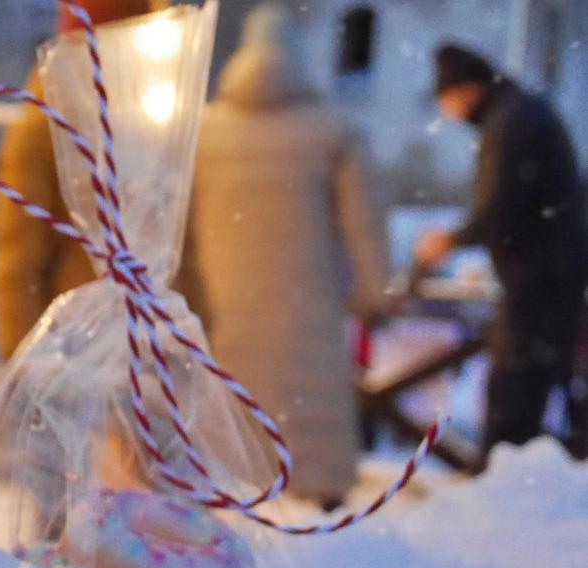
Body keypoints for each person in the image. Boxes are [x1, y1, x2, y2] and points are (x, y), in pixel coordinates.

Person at [187, 5, 390, 507]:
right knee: (310, 407)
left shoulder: (203, 131)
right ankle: (320, 501)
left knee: (232, 411)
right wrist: (375, 293)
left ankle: (230, 489)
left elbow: (180, 230)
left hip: (225, 301)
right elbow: (364, 224)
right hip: (306, 302)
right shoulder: (334, 130)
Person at [0, 0, 206, 358]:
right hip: (81, 354)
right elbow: (17, 262)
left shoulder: (155, 121)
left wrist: (195, 335)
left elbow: (184, 244)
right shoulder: (48, 124)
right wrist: (30, 365)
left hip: (154, 352)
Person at [414, 44, 588, 461]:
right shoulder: (519, 112)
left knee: (517, 383)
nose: (449, 113)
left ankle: (505, 478)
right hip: (553, 271)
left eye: (447, 101)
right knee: (546, 379)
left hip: (540, 277)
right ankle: (524, 473)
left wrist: (451, 240)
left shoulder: (510, 121)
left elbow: (500, 205)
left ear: (465, 90)